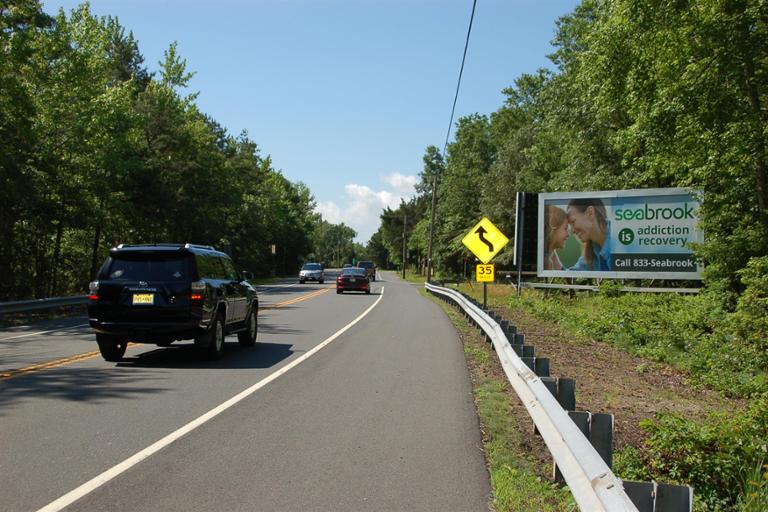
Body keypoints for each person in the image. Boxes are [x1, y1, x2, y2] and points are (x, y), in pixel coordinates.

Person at [566, 198, 611, 271]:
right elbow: (572, 277)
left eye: (573, 222)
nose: (572, 231)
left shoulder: (621, 241)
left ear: (590, 213)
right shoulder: (592, 250)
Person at [543, 205, 568, 270]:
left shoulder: (547, 257)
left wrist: (551, 247)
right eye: (565, 229)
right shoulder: (546, 263)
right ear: (553, 228)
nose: (568, 234)